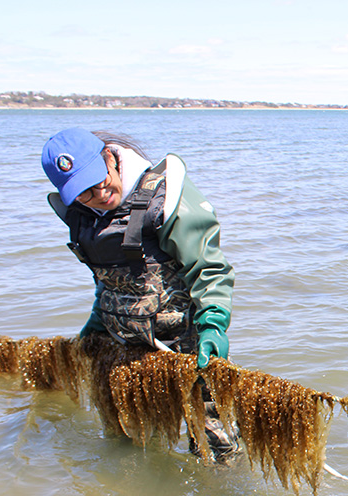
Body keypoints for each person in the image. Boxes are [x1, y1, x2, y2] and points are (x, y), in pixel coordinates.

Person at [41, 127, 241, 463]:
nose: (99, 195)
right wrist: (97, 319)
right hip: (122, 345)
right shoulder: (79, 216)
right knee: (127, 442)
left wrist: (214, 325)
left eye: (100, 180)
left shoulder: (165, 196)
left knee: (215, 444)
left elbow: (209, 267)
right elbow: (106, 277)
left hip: (182, 343)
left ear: (109, 156)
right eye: (84, 193)